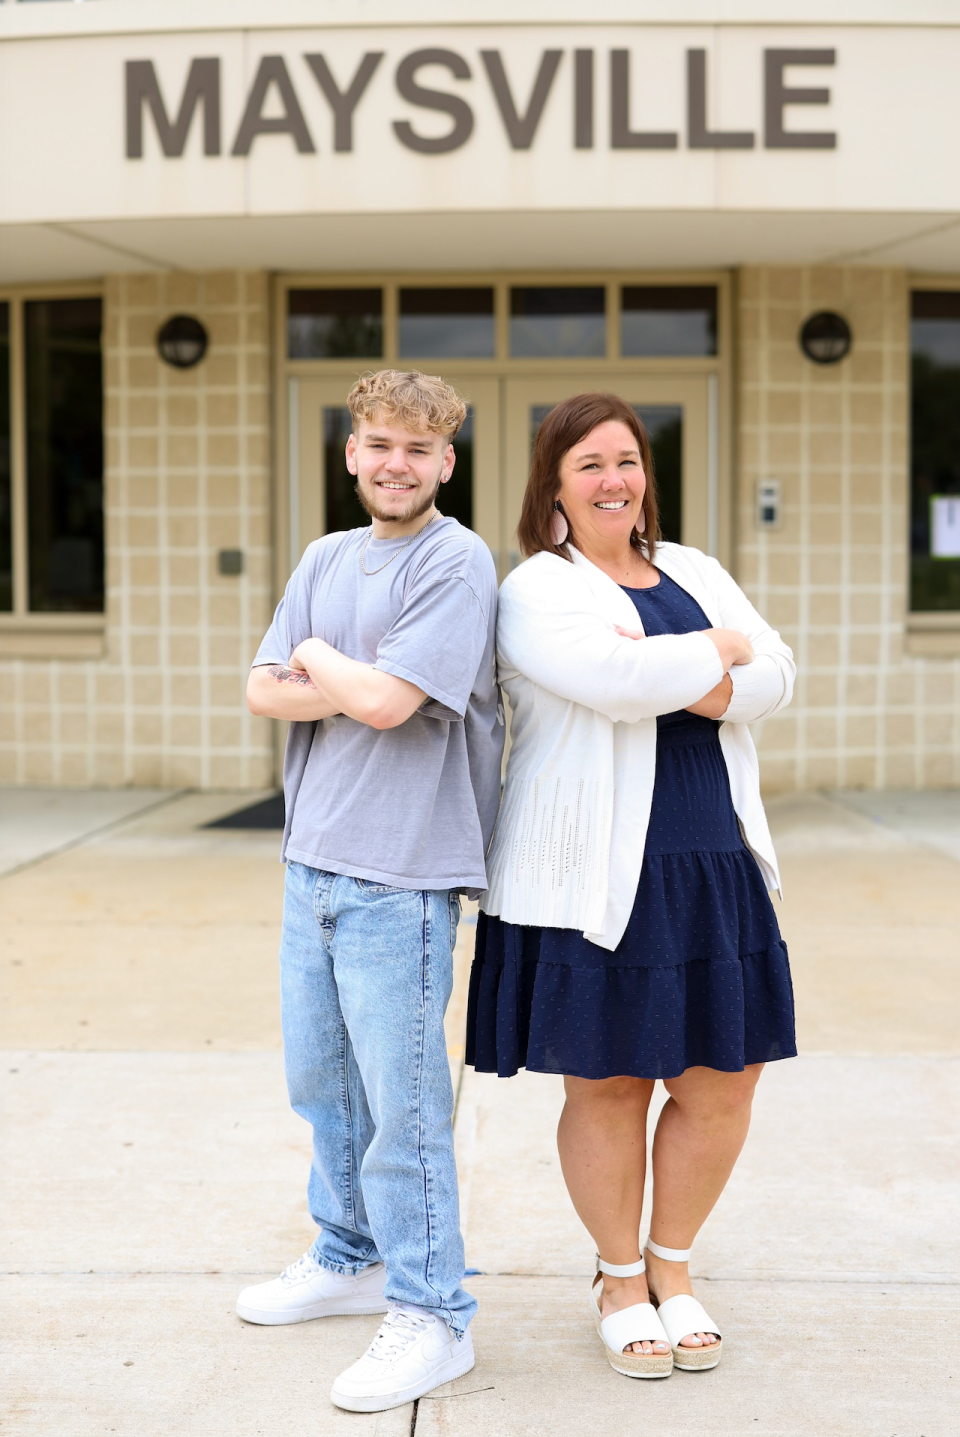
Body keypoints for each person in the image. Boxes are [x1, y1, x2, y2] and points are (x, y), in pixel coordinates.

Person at [466, 392, 796, 1380]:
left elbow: (779, 673)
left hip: (714, 863)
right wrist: (718, 660)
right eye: (588, 465)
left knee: (723, 1085)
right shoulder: (536, 587)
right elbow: (610, 683)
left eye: (626, 460)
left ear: (645, 473)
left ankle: (672, 1264)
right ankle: (616, 1279)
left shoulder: (694, 569)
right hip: (592, 877)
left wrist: (694, 666)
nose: (613, 479)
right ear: (554, 485)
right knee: (609, 1082)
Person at [238, 370, 503, 1413]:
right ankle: (347, 1257)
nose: (397, 463)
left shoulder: (456, 560)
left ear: (446, 462)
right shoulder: (323, 557)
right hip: (314, 865)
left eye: (419, 449)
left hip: (407, 875)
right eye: (380, 443)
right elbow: (260, 694)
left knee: (404, 1109)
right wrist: (327, 678)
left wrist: (315, 658)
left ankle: (434, 1313)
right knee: (326, 1087)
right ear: (352, 452)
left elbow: (389, 704)